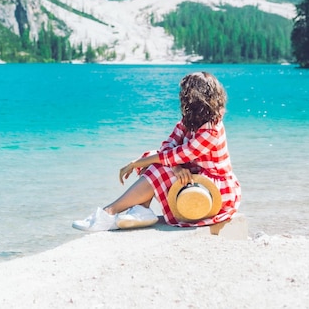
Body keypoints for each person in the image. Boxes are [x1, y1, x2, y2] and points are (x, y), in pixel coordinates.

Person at [72, 71, 241, 232]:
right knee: (155, 159)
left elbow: (179, 154)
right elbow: (168, 146)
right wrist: (175, 167)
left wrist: (135, 164)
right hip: (195, 178)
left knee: (157, 163)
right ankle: (140, 210)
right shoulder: (190, 121)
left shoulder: (211, 130)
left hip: (217, 189)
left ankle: (108, 213)